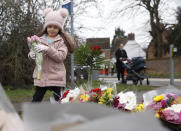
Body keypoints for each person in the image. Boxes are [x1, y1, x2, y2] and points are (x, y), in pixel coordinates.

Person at [28, 8, 75, 102]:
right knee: (36, 100)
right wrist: (31, 55)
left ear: (59, 28)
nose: (52, 29)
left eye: (55, 27)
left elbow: (61, 57)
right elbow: (32, 51)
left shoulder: (62, 41)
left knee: (60, 101)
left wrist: (47, 49)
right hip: (41, 76)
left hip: (56, 77)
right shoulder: (39, 39)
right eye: (49, 26)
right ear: (46, 27)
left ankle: (62, 116)